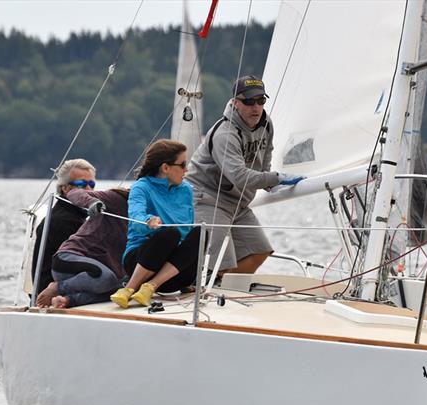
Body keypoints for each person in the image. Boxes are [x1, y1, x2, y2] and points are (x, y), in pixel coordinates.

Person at [187, 75, 305, 275]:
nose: (256, 107)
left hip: (237, 202)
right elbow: (240, 177)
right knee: (220, 264)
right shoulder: (225, 134)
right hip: (207, 199)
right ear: (235, 103)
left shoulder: (266, 124)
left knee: (259, 252)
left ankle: (222, 291)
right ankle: (212, 292)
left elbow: (266, 154)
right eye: (249, 101)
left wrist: (267, 178)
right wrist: (275, 178)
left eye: (261, 101)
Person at [110, 139, 203, 308]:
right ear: (165, 168)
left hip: (173, 276)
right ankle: (130, 288)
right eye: (182, 165)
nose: (186, 169)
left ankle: (150, 287)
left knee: (201, 232)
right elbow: (136, 215)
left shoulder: (186, 190)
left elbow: (187, 230)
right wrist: (148, 222)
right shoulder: (141, 187)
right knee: (170, 233)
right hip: (139, 262)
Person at [35, 186, 129, 308]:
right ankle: (57, 287)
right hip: (69, 260)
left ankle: (67, 300)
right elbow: (74, 192)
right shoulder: (116, 199)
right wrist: (92, 202)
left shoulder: (151, 218)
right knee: (107, 278)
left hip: (96, 275)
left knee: (122, 289)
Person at [31, 159, 95, 295]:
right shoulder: (63, 221)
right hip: (52, 295)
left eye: (91, 184)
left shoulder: (74, 216)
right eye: (82, 184)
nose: (88, 190)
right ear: (65, 188)